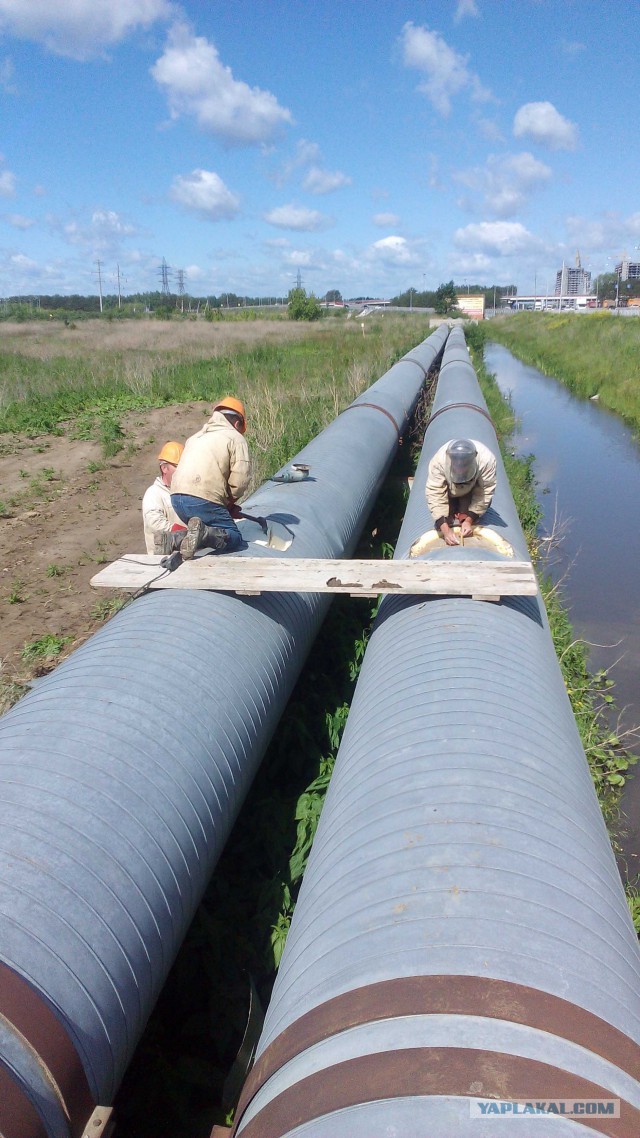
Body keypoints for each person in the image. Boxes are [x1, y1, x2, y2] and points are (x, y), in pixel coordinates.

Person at [170, 396, 250, 559]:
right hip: (203, 499)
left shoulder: (194, 437)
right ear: (237, 424)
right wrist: (230, 502)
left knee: (204, 532)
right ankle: (203, 532)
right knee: (234, 537)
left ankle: (173, 539)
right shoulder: (235, 438)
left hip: (176, 499)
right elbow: (240, 480)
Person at [425, 438, 497, 547]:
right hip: (449, 490)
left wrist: (469, 520)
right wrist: (445, 530)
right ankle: (453, 507)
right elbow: (435, 493)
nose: (460, 471)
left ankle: (464, 512)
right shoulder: (439, 462)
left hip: (471, 489)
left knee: (468, 518)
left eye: (464, 468)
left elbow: (484, 492)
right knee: (445, 521)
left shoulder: (487, 461)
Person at [142, 441, 185, 554]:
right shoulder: (154, 493)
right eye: (178, 466)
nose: (184, 471)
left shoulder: (187, 491)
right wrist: (184, 533)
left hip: (187, 555)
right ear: (164, 468)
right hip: (162, 560)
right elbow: (155, 523)